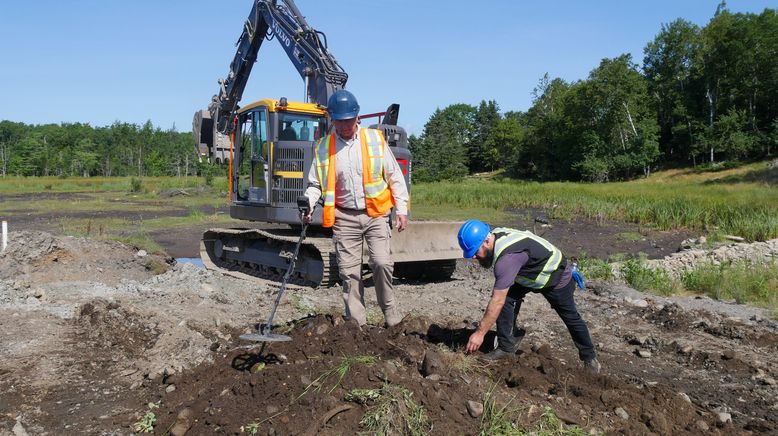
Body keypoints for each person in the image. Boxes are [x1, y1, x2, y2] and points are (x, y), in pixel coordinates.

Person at [303, 89, 409, 328]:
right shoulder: (322, 148)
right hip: (344, 216)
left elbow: (395, 177)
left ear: (357, 117)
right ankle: (356, 325)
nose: (344, 126)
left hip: (376, 214)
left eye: (348, 121)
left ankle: (391, 315)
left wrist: (401, 209)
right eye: (339, 121)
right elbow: (314, 184)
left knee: (381, 263)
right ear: (333, 119)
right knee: (349, 273)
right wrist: (308, 204)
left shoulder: (374, 140)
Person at [457, 219, 601, 373]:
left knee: (570, 317)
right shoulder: (496, 235)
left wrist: (480, 333)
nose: (473, 257)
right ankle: (506, 348)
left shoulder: (507, 260)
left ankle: (590, 359)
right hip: (528, 273)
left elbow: (496, 300)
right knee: (507, 299)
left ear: (486, 241)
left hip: (556, 278)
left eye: (475, 251)